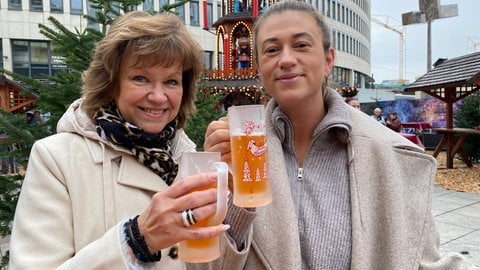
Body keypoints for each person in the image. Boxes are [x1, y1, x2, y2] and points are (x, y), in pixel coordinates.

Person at [198, 1, 477, 269]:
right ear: (259, 68)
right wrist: (229, 189)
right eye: (271, 50)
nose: (285, 59)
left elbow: (421, 259)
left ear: (328, 60)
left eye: (301, 45)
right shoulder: (236, 150)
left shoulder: (389, 156)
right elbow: (205, 265)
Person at [9, 11, 229, 269]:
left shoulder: (187, 158)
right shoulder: (56, 159)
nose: (158, 97)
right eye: (140, 78)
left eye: (171, 81)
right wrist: (136, 240)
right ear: (111, 83)